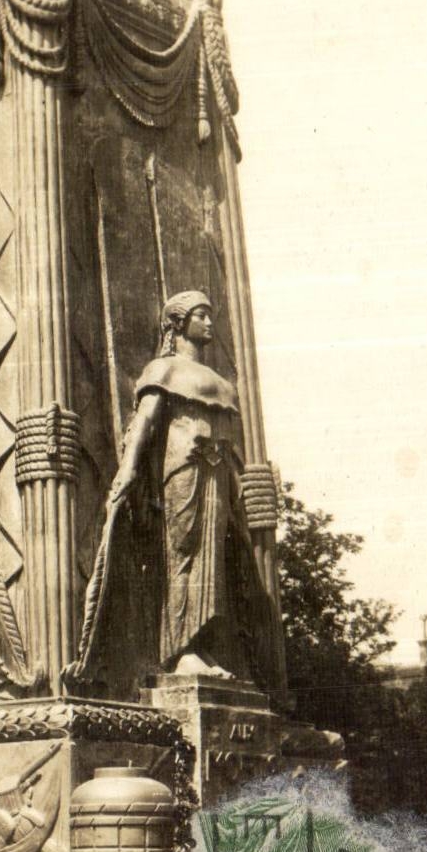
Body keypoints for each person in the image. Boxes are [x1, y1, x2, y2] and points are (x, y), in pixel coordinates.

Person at [106, 290, 259, 682]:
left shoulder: (221, 383)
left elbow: (232, 442)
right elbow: (144, 422)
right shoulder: (164, 369)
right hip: (183, 467)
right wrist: (128, 468)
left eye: (210, 316)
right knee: (183, 554)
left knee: (213, 564)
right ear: (178, 323)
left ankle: (199, 645)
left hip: (216, 473)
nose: (210, 323)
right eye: (201, 316)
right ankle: (178, 651)